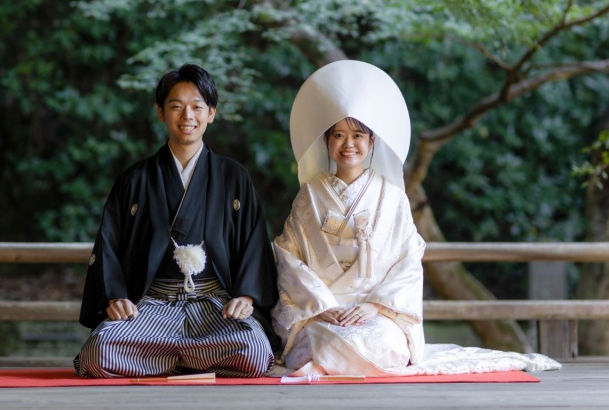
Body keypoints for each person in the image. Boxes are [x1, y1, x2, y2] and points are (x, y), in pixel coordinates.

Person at [272, 60, 560, 377]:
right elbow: (289, 257)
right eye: (338, 135)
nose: (348, 144)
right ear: (326, 141)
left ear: (371, 142)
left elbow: (409, 259)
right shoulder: (308, 196)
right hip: (323, 313)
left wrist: (375, 306)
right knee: (323, 345)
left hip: (376, 314)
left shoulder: (393, 197)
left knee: (381, 344)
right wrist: (324, 307)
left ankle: (339, 359)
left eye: (358, 135)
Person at [74, 64, 278, 379]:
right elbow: (109, 244)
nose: (187, 116)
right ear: (160, 113)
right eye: (176, 106)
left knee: (254, 351)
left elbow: (254, 243)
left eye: (197, 106)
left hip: (214, 304)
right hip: (153, 305)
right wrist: (115, 297)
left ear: (211, 113)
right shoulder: (135, 179)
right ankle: (196, 361)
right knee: (99, 352)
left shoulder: (233, 176)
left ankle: (164, 361)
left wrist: (246, 296)